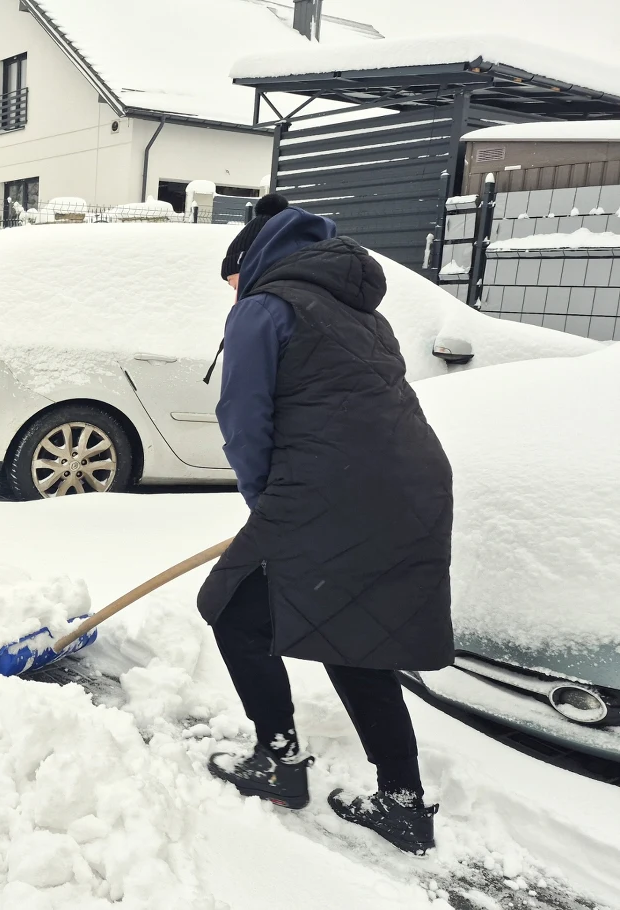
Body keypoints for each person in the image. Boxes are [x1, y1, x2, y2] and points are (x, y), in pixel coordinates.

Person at [199, 193, 454, 855]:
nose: (232, 291)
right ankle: (403, 804)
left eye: (231, 278)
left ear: (250, 261)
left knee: (231, 609)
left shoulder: (263, 306)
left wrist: (270, 508)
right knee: (352, 631)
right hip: (413, 482)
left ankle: (278, 763)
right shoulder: (360, 310)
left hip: (331, 489)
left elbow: (244, 422)